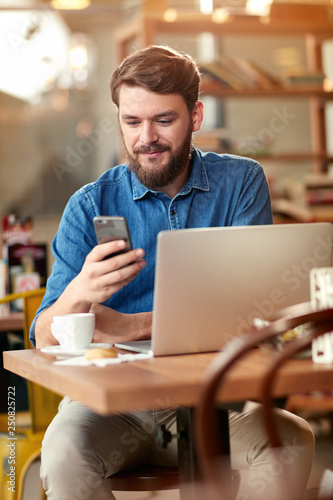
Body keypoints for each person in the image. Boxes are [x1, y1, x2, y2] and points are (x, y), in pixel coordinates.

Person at [30, 45, 315, 500]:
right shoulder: (88, 205)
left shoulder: (240, 183)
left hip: (207, 405)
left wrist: (131, 326)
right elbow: (43, 337)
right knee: (63, 456)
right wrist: (80, 292)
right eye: (131, 122)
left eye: (163, 120)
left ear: (196, 116)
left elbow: (250, 310)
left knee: (292, 441)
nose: (147, 138)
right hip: (105, 409)